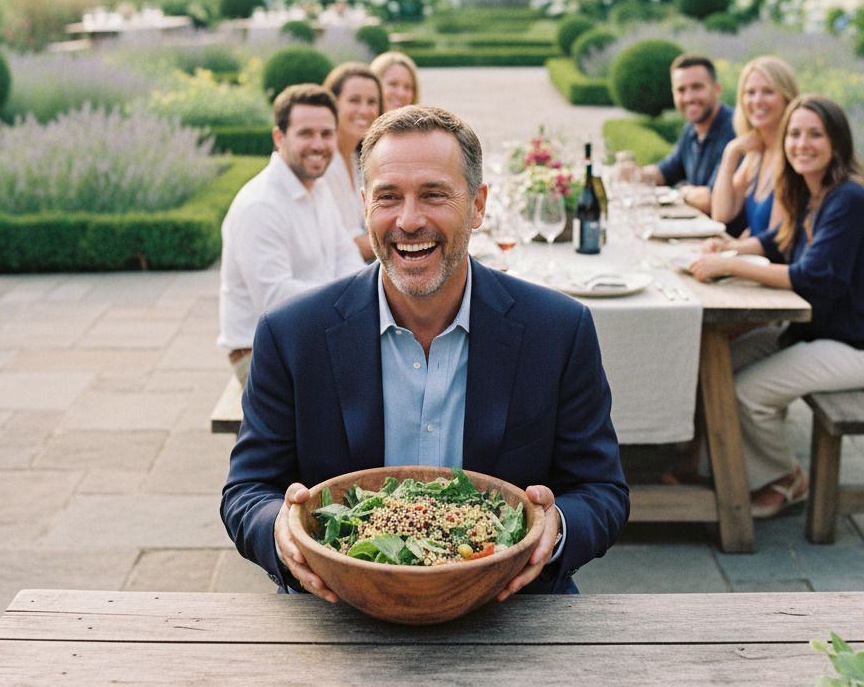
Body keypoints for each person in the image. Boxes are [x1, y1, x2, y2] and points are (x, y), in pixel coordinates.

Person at [221, 105, 629, 600]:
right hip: (342, 607)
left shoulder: (558, 330)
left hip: (509, 607)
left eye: (434, 195)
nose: (409, 220)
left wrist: (557, 527)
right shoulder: (291, 334)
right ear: (365, 205)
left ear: (477, 205)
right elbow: (247, 492)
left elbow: (601, 491)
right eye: (388, 197)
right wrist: (279, 531)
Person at [688, 95, 864, 518]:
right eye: (794, 134)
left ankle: (786, 478)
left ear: (837, 142)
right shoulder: (812, 190)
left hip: (863, 345)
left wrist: (730, 265)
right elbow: (779, 241)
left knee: (748, 393)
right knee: (714, 366)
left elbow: (815, 278)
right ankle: (721, 470)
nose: (802, 144)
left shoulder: (849, 199)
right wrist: (731, 248)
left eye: (815, 134)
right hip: (814, 333)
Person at [216, 83, 365, 386]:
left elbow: (346, 255)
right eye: (306, 133)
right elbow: (275, 300)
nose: (318, 144)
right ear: (279, 137)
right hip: (261, 356)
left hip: (308, 340)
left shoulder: (318, 188)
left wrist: (360, 297)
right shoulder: (260, 205)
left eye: (327, 134)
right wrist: (350, 300)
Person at [624, 54, 736, 215]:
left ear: (716, 89)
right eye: (681, 90)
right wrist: (634, 173)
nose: (689, 97)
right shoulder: (690, 130)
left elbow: (712, 199)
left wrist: (683, 191)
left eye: (697, 87)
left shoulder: (734, 128)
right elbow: (665, 172)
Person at [708, 56, 799, 238]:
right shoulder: (756, 153)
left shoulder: (793, 155)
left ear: (787, 98)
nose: (757, 101)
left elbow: (775, 240)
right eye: (750, 93)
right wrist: (731, 153)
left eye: (768, 92)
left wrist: (736, 246)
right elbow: (721, 214)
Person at [320, 62, 383, 261]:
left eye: (372, 102)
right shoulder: (324, 165)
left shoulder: (358, 159)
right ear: (332, 105)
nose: (365, 110)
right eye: (354, 100)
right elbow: (348, 245)